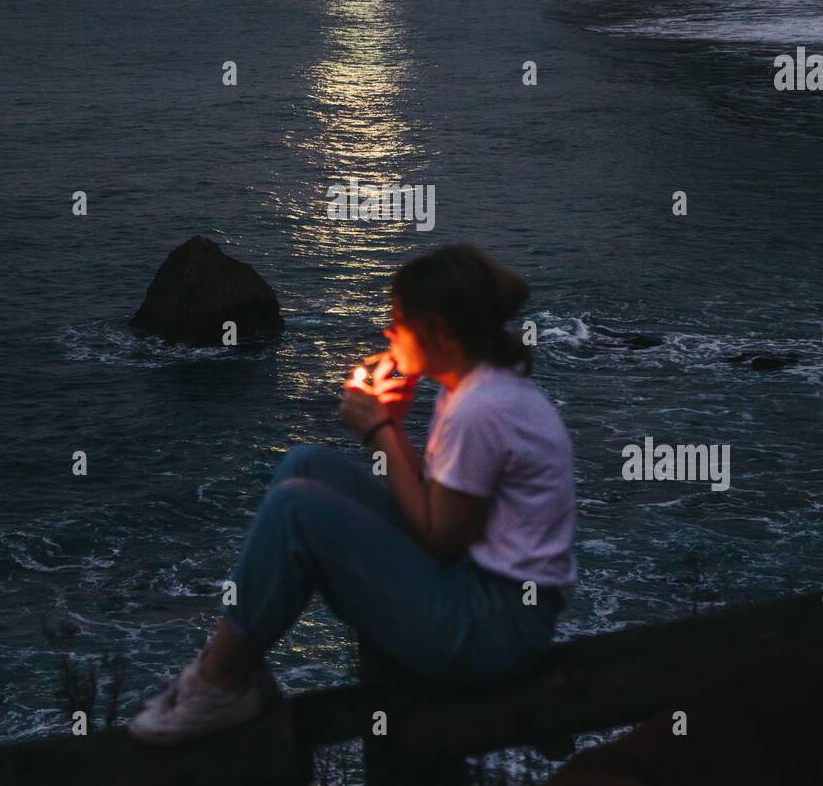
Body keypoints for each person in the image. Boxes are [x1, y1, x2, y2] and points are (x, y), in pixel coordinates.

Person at [129, 244, 577, 745]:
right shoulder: (479, 389)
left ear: (438, 332)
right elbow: (443, 517)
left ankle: (217, 686)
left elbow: (440, 538)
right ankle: (233, 666)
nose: (388, 331)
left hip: (493, 629)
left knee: (298, 507)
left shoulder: (481, 410)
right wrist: (395, 422)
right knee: (307, 464)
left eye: (399, 320)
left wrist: (381, 429)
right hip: (487, 602)